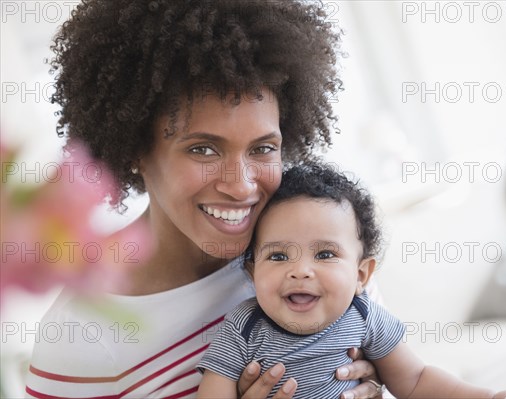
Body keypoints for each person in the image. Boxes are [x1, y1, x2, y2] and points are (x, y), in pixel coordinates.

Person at [25, 1, 382, 398]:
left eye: (262, 149)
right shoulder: (81, 334)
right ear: (133, 150)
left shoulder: (321, 246)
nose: (242, 186)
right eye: (203, 150)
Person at [196, 162, 506, 399]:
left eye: (324, 255)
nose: (301, 271)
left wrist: (485, 397)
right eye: (278, 256)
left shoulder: (363, 316)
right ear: (253, 273)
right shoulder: (243, 328)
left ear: (361, 275)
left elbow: (416, 380)